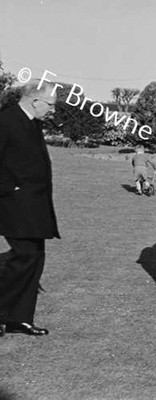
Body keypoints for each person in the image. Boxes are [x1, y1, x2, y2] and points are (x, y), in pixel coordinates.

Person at [0, 80, 59, 336]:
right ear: (34, 101)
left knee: (34, 259)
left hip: (35, 204)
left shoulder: (33, 123)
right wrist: (10, 188)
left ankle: (19, 318)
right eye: (51, 105)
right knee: (23, 257)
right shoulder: (6, 120)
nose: (53, 111)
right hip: (15, 204)